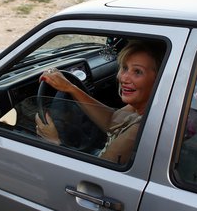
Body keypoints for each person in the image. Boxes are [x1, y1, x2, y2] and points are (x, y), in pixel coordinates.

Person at [34, 40, 163, 164]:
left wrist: (54, 142)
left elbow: (97, 174)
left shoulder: (139, 130)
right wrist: (70, 88)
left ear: (159, 78)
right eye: (124, 68)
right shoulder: (148, 105)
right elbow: (112, 119)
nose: (123, 78)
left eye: (137, 72)